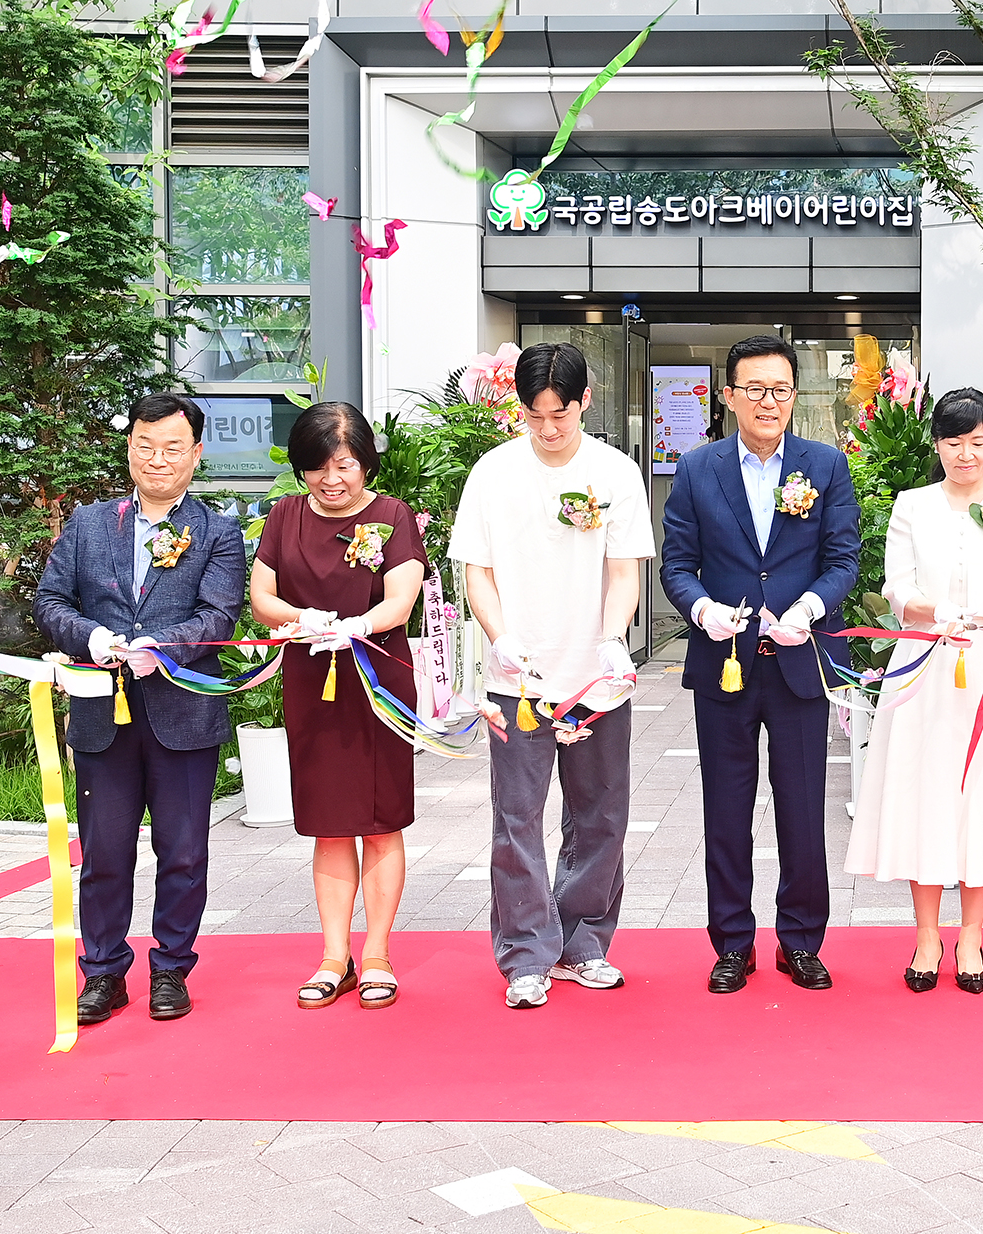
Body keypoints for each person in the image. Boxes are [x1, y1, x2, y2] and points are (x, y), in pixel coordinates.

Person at [449, 342, 652, 1010]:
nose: (547, 429)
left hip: (596, 679)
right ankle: (527, 952)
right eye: (533, 415)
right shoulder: (493, 473)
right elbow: (477, 569)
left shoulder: (615, 473)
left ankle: (586, 940)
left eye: (559, 414)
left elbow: (624, 567)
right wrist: (499, 637)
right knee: (517, 818)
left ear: (585, 401)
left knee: (601, 816)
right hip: (518, 680)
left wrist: (614, 637)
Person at [35, 393, 246, 1027]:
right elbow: (50, 601)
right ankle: (102, 972)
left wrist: (167, 648)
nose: (158, 460)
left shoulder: (218, 531)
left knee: (183, 851)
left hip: (182, 710)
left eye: (173, 448)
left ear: (196, 453)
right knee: (105, 850)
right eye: (146, 446)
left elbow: (219, 615)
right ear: (129, 447)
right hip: (103, 712)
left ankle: (172, 968)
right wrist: (90, 638)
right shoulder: (90, 524)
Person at [661, 335, 860, 994]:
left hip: (802, 664)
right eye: (754, 389)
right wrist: (701, 611)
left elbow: (842, 561)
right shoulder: (697, 469)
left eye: (779, 389)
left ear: (794, 396)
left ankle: (800, 941)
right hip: (725, 664)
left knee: (804, 809)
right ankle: (733, 944)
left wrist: (808, 606)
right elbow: (678, 565)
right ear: (729, 396)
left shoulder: (825, 466)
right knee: (726, 807)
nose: (767, 400)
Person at [844, 387, 983, 994]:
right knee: (925, 792)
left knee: (980, 798)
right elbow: (897, 589)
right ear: (936, 445)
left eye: (978, 442)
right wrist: (939, 612)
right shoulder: (912, 505)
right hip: (927, 663)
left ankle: (971, 933)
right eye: (954, 442)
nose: (966, 454)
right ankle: (925, 934)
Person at [249, 402, 427, 1011]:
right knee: (329, 823)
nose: (331, 479)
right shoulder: (284, 516)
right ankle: (334, 955)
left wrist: (355, 625)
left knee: (379, 822)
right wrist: (303, 620)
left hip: (376, 680)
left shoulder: (392, 517)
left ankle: (376, 953)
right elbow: (262, 597)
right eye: (318, 467)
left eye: (345, 465)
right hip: (311, 679)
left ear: (365, 465)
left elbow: (400, 600)